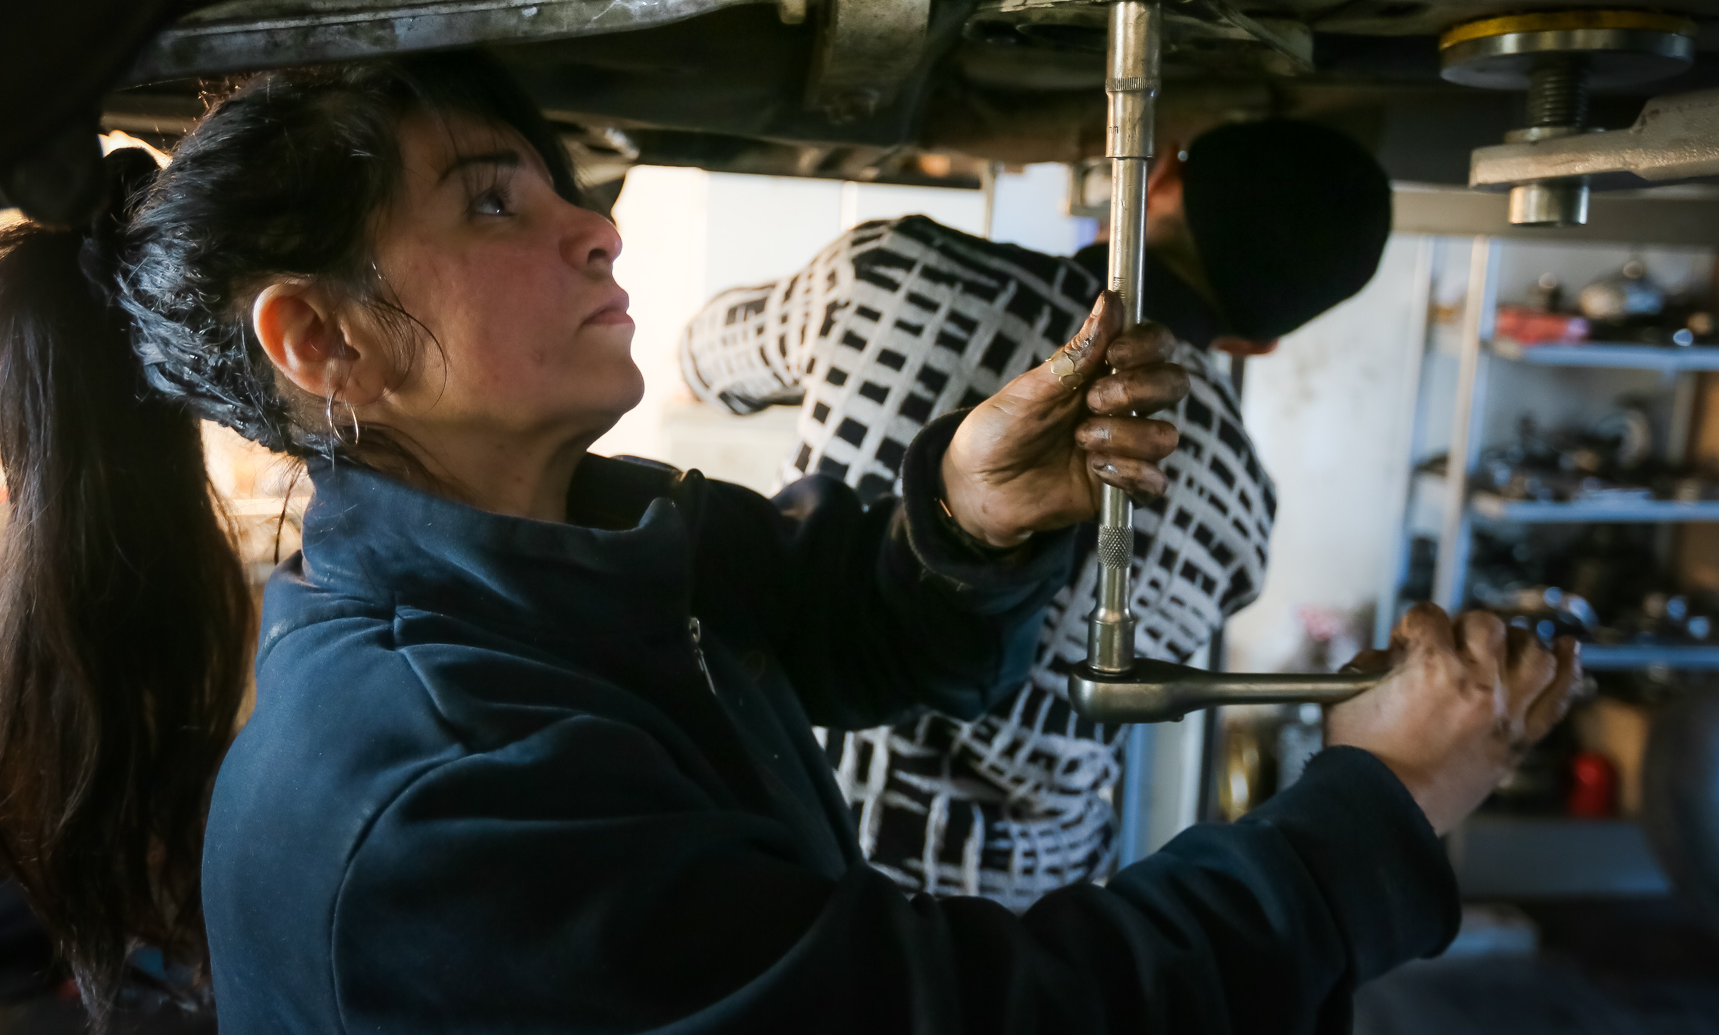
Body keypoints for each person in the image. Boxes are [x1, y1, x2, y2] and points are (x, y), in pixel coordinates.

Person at [0, 54, 1579, 1033]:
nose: (592, 223)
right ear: (323, 344)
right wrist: (1387, 798)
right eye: (495, 204)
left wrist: (965, 513)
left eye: (559, 185)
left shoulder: (597, 550)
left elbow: (834, 628)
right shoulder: (447, 796)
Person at [680, 119, 1396, 904]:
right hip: (1011, 912)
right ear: (1261, 344)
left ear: (1157, 180)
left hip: (778, 828)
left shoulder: (894, 269)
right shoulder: (1243, 513)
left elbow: (702, 360)